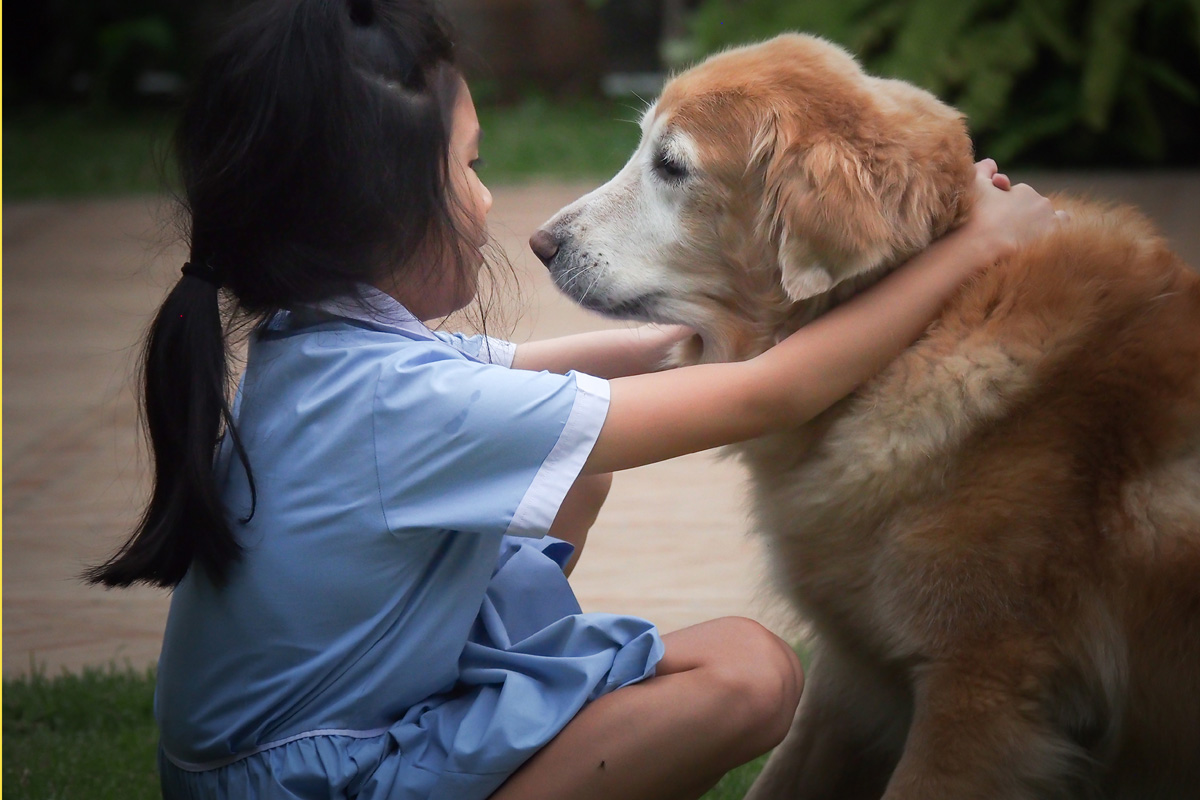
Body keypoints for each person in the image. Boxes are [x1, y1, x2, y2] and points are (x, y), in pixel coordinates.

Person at [86, 0, 1063, 798]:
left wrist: (715, 321)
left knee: (575, 454)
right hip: (321, 778)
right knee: (750, 671)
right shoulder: (405, 409)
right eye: (468, 168)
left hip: (268, 756)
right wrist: (976, 248)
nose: (490, 204)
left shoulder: (326, 347)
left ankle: (536, 723)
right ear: (378, 210)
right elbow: (774, 393)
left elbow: (587, 370)